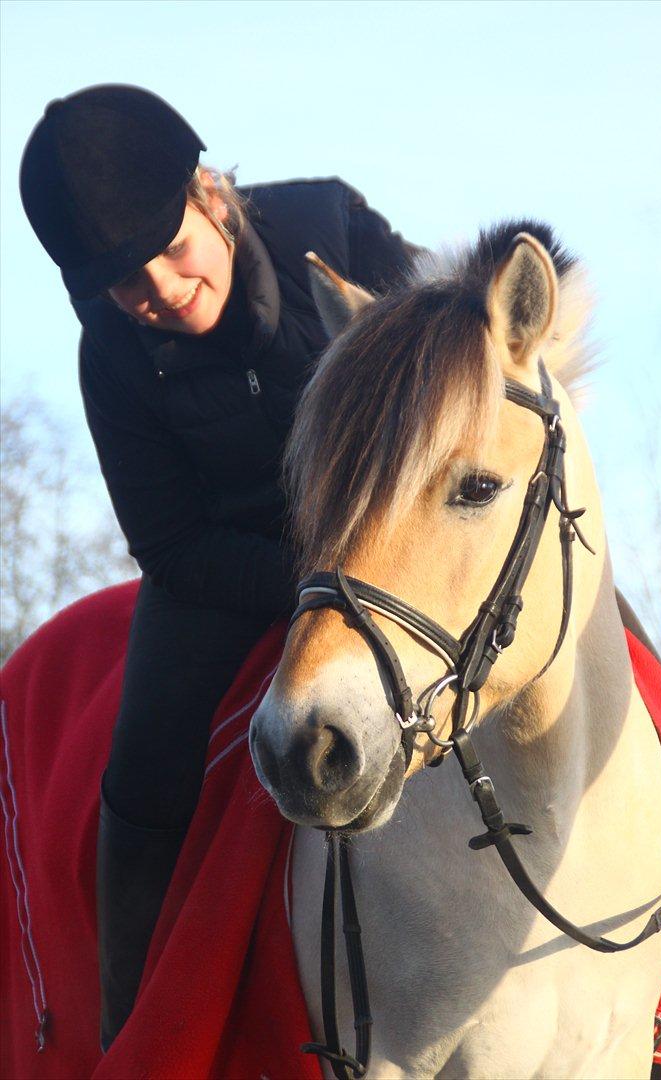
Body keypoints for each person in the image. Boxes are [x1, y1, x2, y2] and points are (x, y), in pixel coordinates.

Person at [19, 84, 417, 1051]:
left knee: (587, 610)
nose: (155, 285)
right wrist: (315, 588)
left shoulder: (339, 229)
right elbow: (168, 544)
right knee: (142, 765)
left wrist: (373, 560)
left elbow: (441, 400)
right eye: (122, 280)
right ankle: (136, 1035)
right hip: (228, 568)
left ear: (211, 195)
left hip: (396, 538)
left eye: (170, 246)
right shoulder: (109, 353)